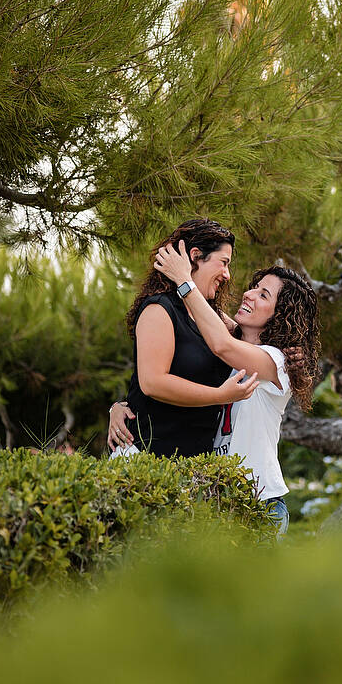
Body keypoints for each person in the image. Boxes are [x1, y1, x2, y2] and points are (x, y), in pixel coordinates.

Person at [109, 241, 320, 536]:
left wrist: (184, 279)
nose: (248, 293)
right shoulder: (229, 350)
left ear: (280, 314)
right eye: (254, 286)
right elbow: (192, 332)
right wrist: (121, 406)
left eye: (263, 294)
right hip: (217, 502)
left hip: (259, 504)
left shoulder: (276, 361)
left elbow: (221, 342)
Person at [109, 219, 260, 459]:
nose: (227, 275)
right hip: (148, 460)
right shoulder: (159, 309)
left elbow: (251, 341)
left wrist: (292, 349)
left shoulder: (215, 320)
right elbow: (152, 383)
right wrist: (220, 396)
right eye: (223, 263)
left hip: (196, 467)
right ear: (196, 256)